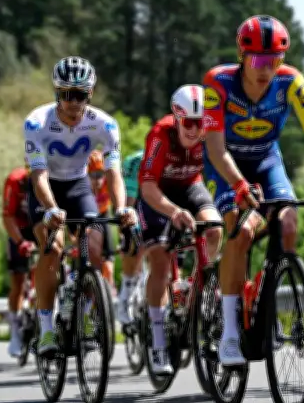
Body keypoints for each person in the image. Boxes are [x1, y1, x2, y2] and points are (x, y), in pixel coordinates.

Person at [203, 15, 304, 366]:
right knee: (238, 227)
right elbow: (215, 147)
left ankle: (267, 294)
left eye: (274, 60)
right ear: (242, 55)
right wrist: (238, 185)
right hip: (227, 163)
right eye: (258, 60)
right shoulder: (218, 82)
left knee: (289, 221)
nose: (266, 69)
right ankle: (230, 334)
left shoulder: (291, 81)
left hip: (267, 159)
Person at [24, 55, 137, 358]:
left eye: (80, 95)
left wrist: (123, 207)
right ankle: (46, 329)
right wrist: (50, 208)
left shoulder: (105, 124)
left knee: (96, 244)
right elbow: (38, 173)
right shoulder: (37, 121)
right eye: (66, 94)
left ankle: (83, 302)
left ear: (91, 94)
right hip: (45, 188)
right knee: (53, 248)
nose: (73, 102)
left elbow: (113, 172)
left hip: (77, 184)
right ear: (56, 93)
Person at [138, 84, 223, 374]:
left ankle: (199, 289)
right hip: (158, 195)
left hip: (189, 186)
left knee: (214, 229)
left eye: (200, 123)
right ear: (176, 117)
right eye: (188, 122)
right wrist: (173, 212)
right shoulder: (161, 135)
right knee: (160, 260)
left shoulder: (209, 134)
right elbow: (147, 186)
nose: (194, 129)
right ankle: (159, 342)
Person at [2, 163, 36, 357]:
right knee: (18, 282)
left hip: (42, 226)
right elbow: (7, 216)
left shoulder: (54, 178)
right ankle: (15, 330)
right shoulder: (15, 181)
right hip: (19, 228)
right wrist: (20, 241)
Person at [116, 149, 145, 325]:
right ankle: (125, 296)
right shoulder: (135, 161)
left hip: (158, 194)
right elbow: (129, 203)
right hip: (133, 196)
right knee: (134, 235)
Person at [88, 150, 117, 293]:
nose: (97, 180)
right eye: (93, 175)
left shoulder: (109, 181)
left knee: (108, 259)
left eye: (100, 174)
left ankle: (109, 292)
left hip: (103, 214)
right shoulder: (82, 185)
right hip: (86, 217)